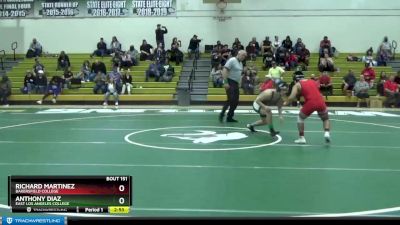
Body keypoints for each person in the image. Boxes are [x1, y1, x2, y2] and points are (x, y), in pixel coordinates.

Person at [283, 74, 331, 144]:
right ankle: (327, 133)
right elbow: (319, 84)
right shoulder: (312, 81)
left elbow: (291, 97)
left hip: (311, 103)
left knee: (300, 118)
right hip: (321, 101)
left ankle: (301, 138)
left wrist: (285, 103)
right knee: (325, 119)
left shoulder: (297, 85)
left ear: (295, 80)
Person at [219, 50, 247, 123]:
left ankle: (230, 117)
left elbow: (239, 74)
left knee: (236, 101)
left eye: (245, 56)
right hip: (229, 81)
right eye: (243, 55)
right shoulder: (232, 60)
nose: (244, 57)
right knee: (231, 99)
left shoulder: (240, 63)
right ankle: (222, 114)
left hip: (235, 83)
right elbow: (224, 70)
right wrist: (225, 82)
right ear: (238, 54)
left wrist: (239, 84)